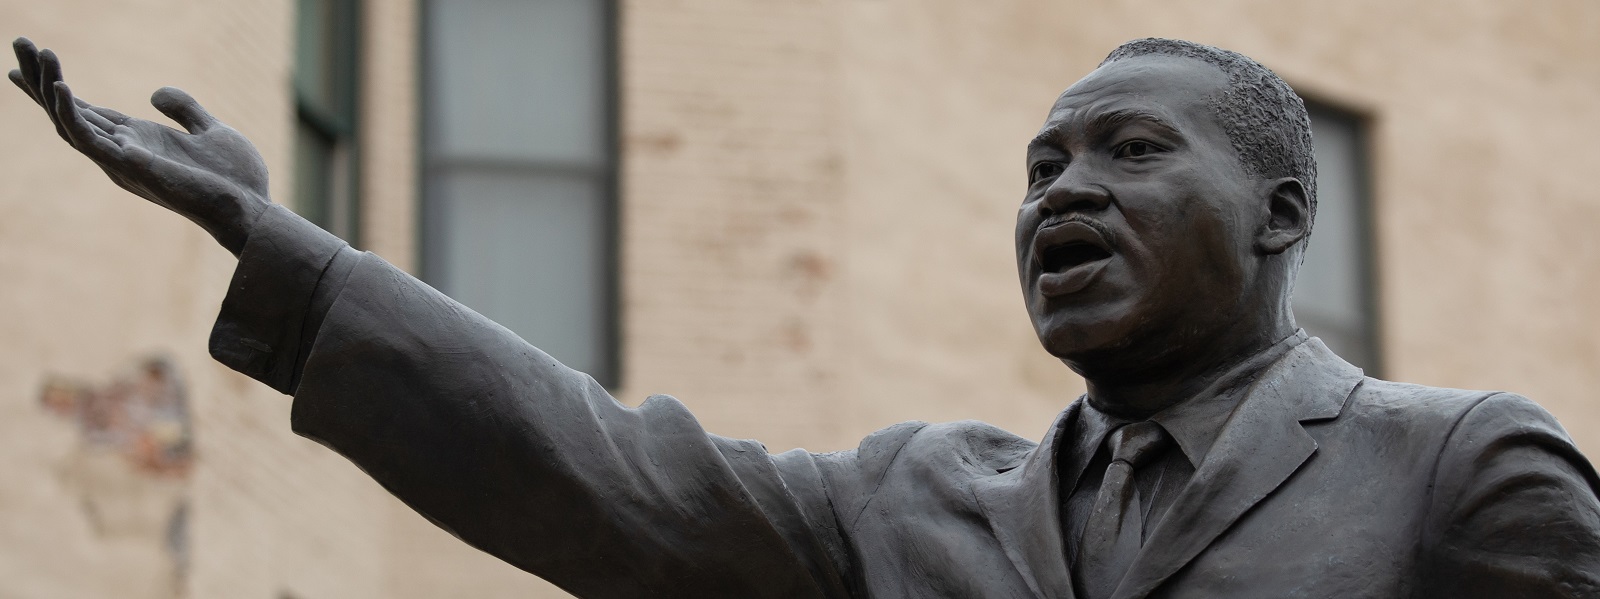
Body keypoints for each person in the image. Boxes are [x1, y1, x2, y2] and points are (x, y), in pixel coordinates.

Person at [13, 35, 1600, 598]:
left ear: (1284, 217)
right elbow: (604, 479)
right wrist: (283, 247)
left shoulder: (1456, 474)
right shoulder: (913, 504)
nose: (1061, 193)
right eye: (1041, 165)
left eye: (1129, 153)